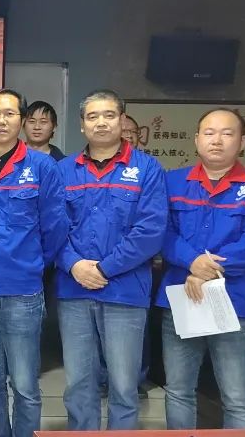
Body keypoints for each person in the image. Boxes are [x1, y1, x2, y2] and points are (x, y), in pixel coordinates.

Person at [157, 108, 245, 429]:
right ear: (196, 139)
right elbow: (160, 232)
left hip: (234, 301)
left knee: (237, 396)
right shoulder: (173, 182)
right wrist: (192, 261)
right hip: (182, 298)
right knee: (178, 390)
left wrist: (206, 270)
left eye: (227, 133)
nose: (217, 140)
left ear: (242, 141)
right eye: (209, 133)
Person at [0, 89, 68, 436]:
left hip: (23, 293)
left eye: (9, 114)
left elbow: (55, 226)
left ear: (21, 120)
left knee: (24, 385)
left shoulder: (42, 167)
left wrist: (31, 263)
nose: (1, 121)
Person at [56, 89, 167, 431]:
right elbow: (50, 227)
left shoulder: (147, 169)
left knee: (123, 385)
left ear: (122, 120)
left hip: (125, 291)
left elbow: (150, 231)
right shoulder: (63, 170)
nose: (101, 122)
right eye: (92, 116)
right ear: (82, 125)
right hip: (74, 290)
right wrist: (74, 264)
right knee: (78, 384)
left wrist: (105, 268)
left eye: (108, 115)